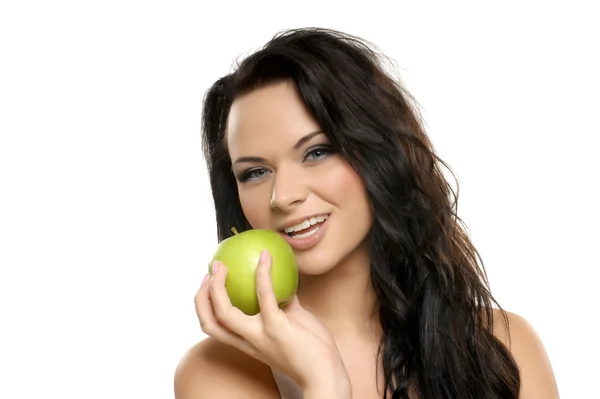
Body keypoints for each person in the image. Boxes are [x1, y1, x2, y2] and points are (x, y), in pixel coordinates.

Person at [174, 28, 559, 398]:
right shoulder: (214, 373)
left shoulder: (505, 348)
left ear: (380, 153)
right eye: (255, 172)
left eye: (317, 151)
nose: (282, 196)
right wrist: (321, 382)